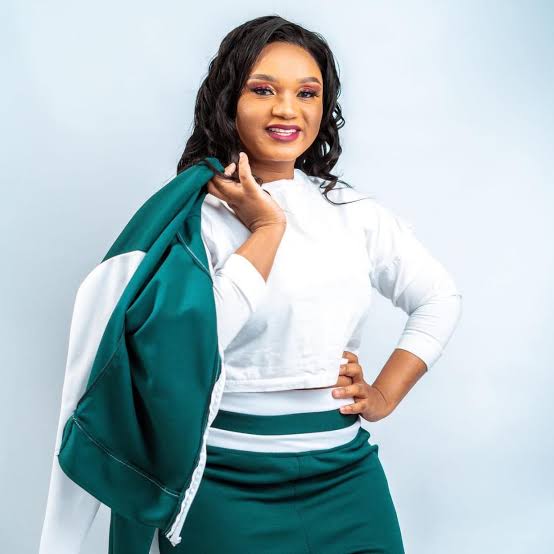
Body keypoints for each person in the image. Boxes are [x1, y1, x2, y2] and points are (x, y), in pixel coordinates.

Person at [41, 15, 462, 554]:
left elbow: (438, 298)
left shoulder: (352, 213)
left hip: (346, 479)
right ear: (229, 101)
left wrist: (383, 394)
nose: (287, 110)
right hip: (221, 486)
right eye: (263, 90)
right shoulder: (193, 220)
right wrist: (266, 229)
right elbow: (186, 346)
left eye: (307, 93)